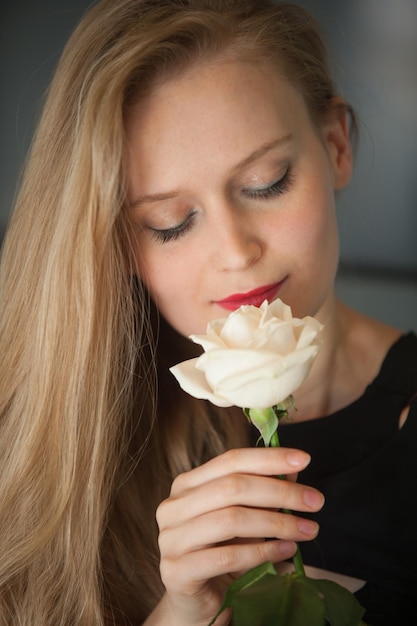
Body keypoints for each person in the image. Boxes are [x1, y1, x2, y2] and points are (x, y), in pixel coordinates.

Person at [0, 0, 416, 624]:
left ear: (335, 147)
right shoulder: (69, 444)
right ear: (116, 245)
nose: (236, 252)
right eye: (170, 224)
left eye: (266, 183)